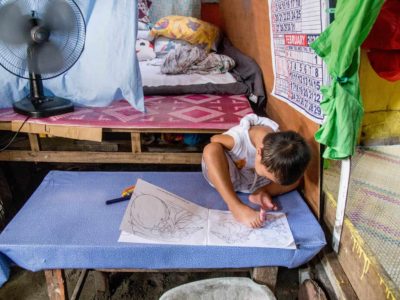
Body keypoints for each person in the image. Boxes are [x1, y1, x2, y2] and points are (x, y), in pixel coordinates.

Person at [202, 114, 311, 228]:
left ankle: (261, 192)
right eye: (268, 176)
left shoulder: (279, 144)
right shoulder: (237, 139)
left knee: (295, 179)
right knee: (211, 149)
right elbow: (213, 139)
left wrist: (266, 189)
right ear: (258, 153)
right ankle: (235, 206)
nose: (270, 179)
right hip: (228, 178)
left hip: (254, 182)